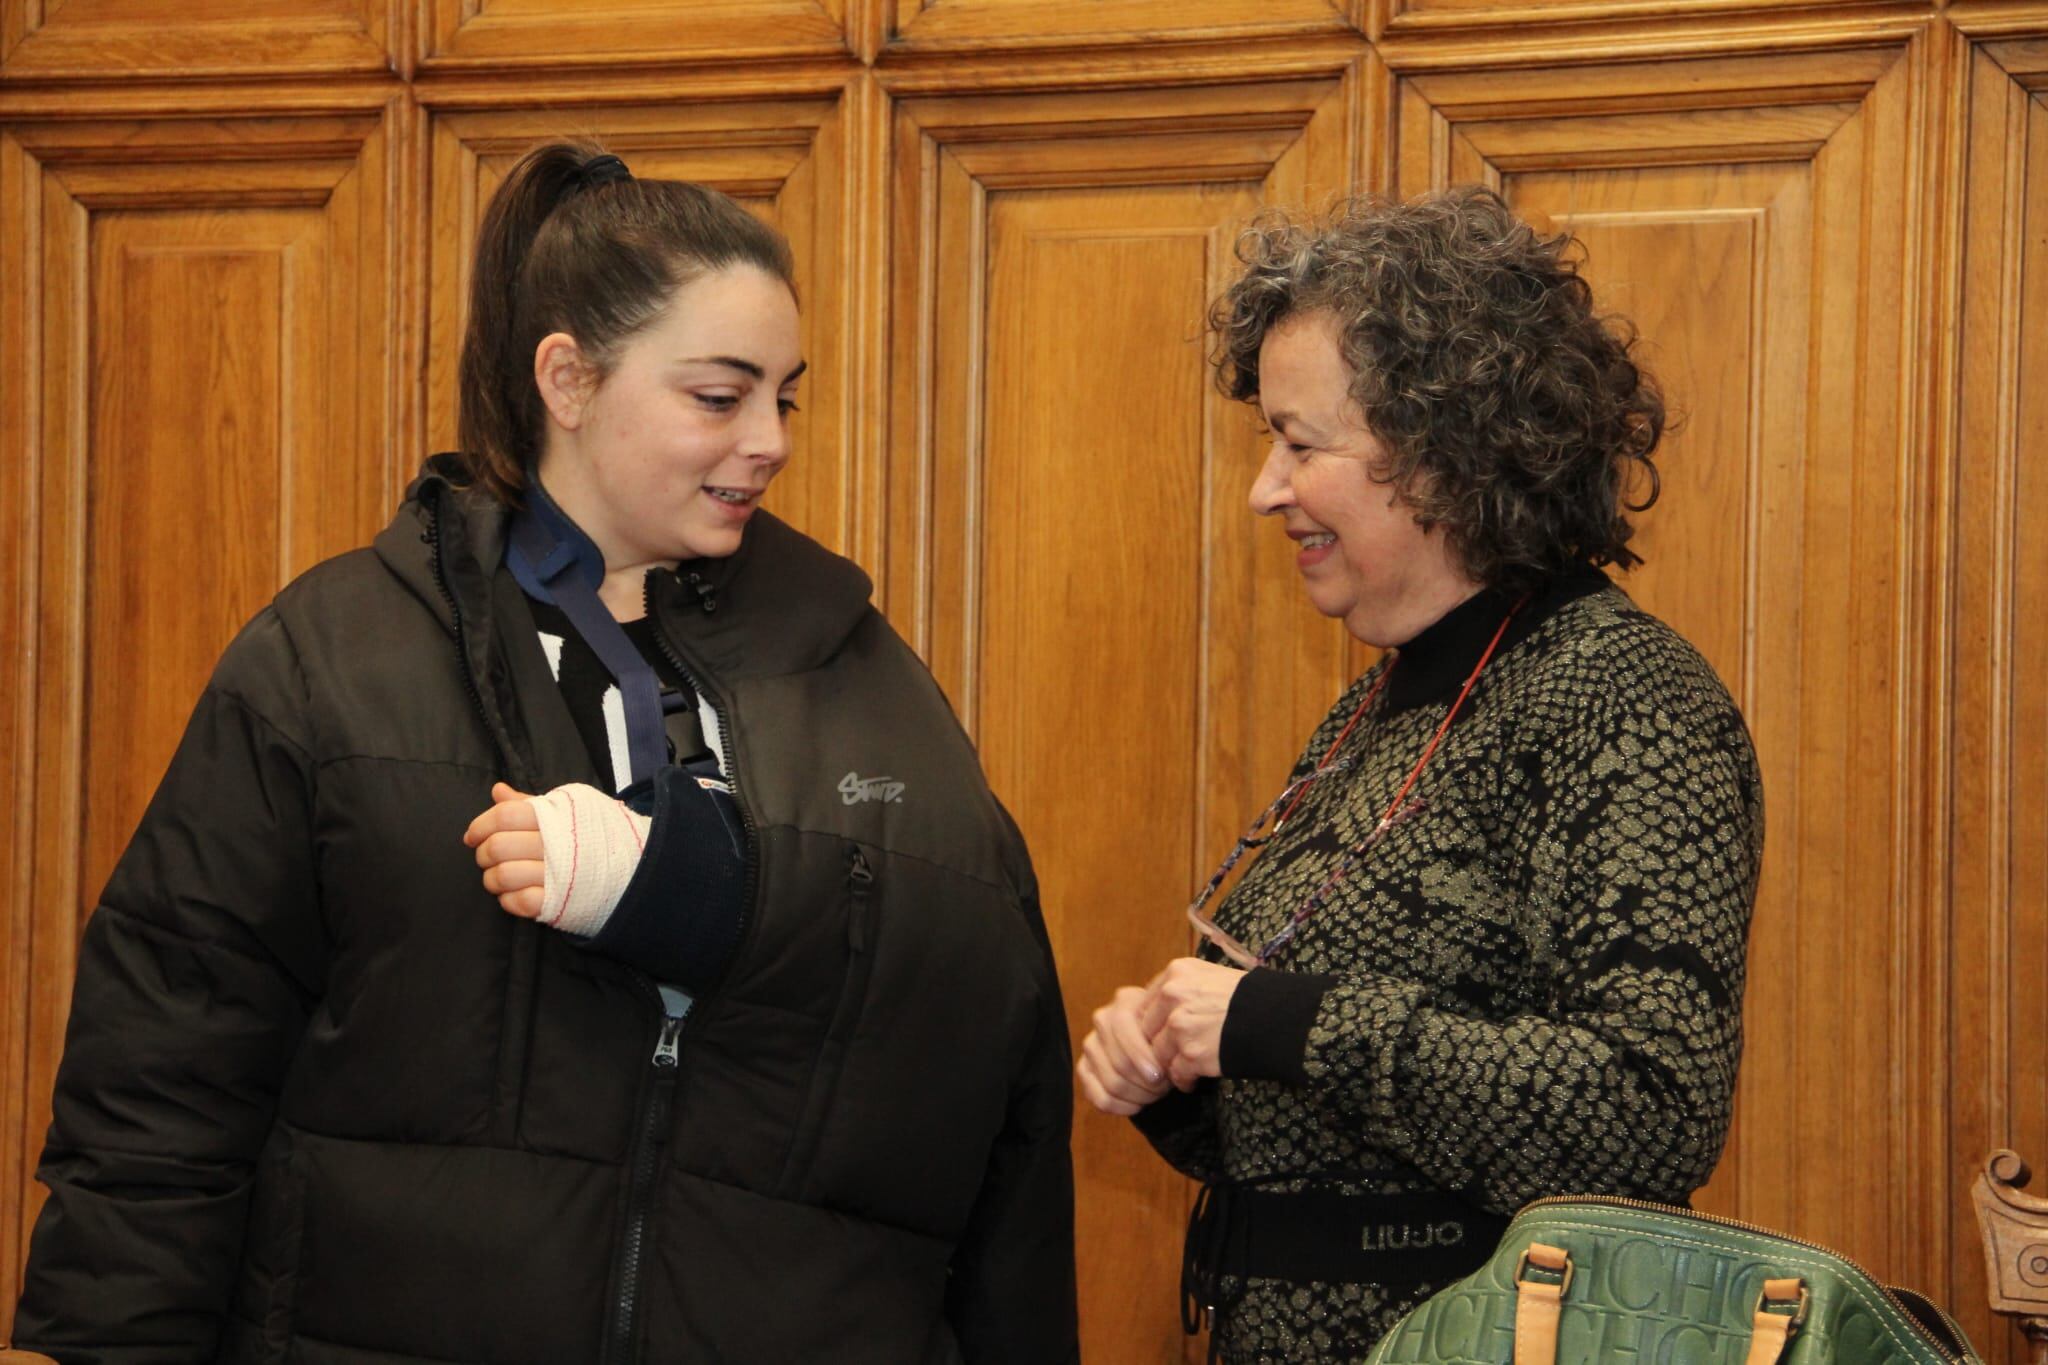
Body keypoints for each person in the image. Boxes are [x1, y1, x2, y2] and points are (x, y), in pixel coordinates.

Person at [14, 143, 1077, 1365]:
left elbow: (991, 1041)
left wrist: (702, 886)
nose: (772, 438)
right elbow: (166, 1072)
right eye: (719, 396)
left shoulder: (858, 670)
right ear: (568, 380)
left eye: (786, 395)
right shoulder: (332, 659)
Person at [1076, 187, 1763, 1362]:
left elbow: (1650, 1113)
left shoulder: (1619, 695)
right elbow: (1335, 1152)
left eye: (1300, 445)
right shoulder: (1379, 702)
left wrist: (1280, 1021)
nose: (1264, 489)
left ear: (1445, 453)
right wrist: (1180, 1075)